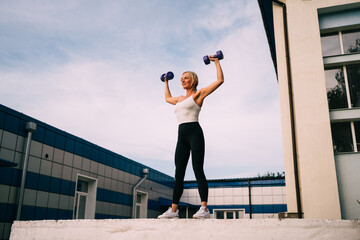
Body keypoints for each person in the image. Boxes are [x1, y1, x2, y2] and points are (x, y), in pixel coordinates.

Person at [157, 55, 224, 219]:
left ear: (193, 80)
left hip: (195, 133)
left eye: (185, 78)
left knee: (197, 169)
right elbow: (167, 98)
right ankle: (173, 210)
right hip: (181, 136)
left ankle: (204, 209)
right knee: (178, 173)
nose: (182, 80)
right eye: (181, 79)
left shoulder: (198, 95)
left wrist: (216, 62)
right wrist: (166, 81)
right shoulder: (180, 99)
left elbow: (220, 80)